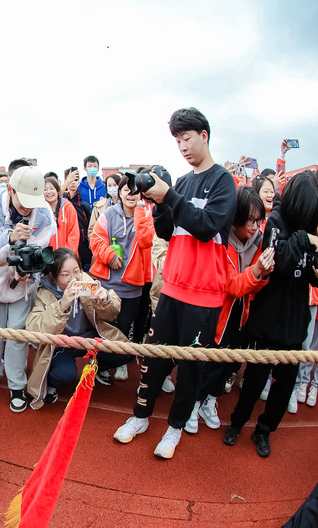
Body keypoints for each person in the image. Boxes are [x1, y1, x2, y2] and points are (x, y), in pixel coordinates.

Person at [113, 107, 237, 459]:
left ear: (204, 135)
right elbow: (168, 231)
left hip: (204, 295)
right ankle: (140, 416)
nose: (182, 146)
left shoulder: (223, 181)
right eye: (177, 140)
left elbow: (206, 225)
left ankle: (175, 427)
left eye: (186, 138)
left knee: (191, 368)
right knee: (154, 359)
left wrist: (169, 196)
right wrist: (155, 200)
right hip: (172, 287)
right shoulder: (182, 182)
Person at [223, 171, 318, 457]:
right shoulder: (276, 220)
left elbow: (312, 274)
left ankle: (264, 430)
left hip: (295, 323)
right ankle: (237, 423)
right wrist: (306, 238)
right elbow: (282, 261)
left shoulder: (311, 227)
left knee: (284, 386)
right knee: (254, 380)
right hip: (266, 322)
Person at [187, 187, 274, 432]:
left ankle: (210, 401)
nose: (255, 226)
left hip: (242, 314)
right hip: (218, 312)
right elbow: (233, 286)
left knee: (230, 363)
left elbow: (253, 289)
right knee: (211, 361)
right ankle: (194, 403)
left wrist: (263, 275)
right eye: (250, 219)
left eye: (259, 220)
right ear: (237, 216)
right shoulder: (221, 240)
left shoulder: (259, 242)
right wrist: (257, 271)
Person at [0, 166, 54, 412]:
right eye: (24, 200)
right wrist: (9, 238)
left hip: (23, 286)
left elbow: (41, 253)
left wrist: (27, 272)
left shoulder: (44, 213)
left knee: (18, 334)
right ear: (10, 189)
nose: (28, 208)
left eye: (33, 202)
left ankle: (17, 384)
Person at [25, 248, 126, 407]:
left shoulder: (87, 282)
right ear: (53, 276)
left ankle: (99, 369)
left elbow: (112, 314)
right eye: (65, 275)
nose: (73, 279)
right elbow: (33, 327)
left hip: (87, 338)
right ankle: (50, 382)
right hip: (62, 343)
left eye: (76, 271)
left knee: (123, 353)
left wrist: (105, 299)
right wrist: (62, 304)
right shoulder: (44, 293)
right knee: (65, 374)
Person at [89, 174, 154, 384]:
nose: (131, 194)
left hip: (133, 286)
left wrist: (141, 213)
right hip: (107, 284)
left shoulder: (146, 215)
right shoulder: (109, 213)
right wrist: (109, 255)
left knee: (126, 331)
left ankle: (118, 361)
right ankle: (100, 366)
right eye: (126, 190)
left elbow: (147, 242)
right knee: (104, 329)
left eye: (135, 191)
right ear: (120, 193)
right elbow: (95, 239)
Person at [62, 166, 93, 270]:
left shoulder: (85, 205)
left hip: (84, 250)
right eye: (70, 180)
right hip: (66, 248)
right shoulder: (62, 203)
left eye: (76, 180)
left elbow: (90, 227)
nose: (73, 183)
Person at [44, 175, 79, 251]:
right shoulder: (40, 211)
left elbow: (74, 235)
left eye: (52, 188)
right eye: (45, 189)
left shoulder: (68, 208)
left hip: (67, 257)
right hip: (47, 258)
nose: (49, 192)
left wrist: (65, 255)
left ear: (58, 191)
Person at [88, 173, 122, 237]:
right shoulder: (99, 206)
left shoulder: (126, 205)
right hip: (103, 242)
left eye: (115, 185)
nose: (112, 188)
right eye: (109, 185)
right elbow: (91, 229)